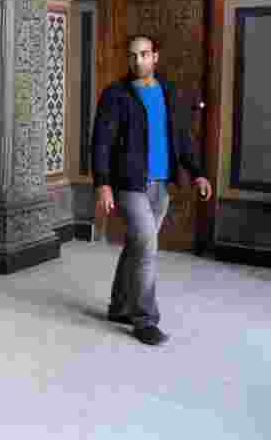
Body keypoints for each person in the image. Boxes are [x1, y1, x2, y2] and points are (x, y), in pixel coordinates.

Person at [91, 34, 213, 346]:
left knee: (136, 246)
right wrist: (102, 183)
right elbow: (101, 142)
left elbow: (182, 138)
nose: (137, 61)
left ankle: (119, 306)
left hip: (160, 185)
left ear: (155, 57)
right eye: (132, 56)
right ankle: (144, 319)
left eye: (144, 54)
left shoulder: (169, 93)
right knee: (147, 248)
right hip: (129, 184)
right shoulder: (116, 94)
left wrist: (197, 173)